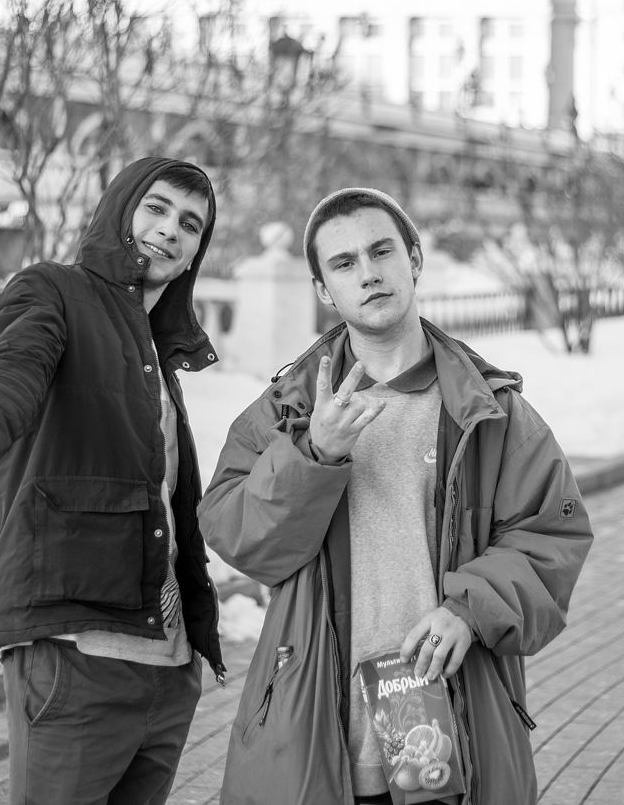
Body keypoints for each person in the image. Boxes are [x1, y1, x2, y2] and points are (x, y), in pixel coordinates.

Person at [199, 188, 594, 804]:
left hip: (449, 722)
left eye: (381, 251)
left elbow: (550, 537)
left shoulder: (490, 410)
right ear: (324, 289)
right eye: (344, 263)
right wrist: (313, 456)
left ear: (414, 260)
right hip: (317, 725)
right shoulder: (288, 409)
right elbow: (236, 532)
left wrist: (471, 608)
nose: (369, 273)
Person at [0, 157, 226, 805]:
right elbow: (12, 371)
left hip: (168, 669)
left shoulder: (158, 356)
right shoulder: (53, 291)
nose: (170, 229)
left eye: (191, 224)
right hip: (76, 657)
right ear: (119, 208)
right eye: (156, 208)